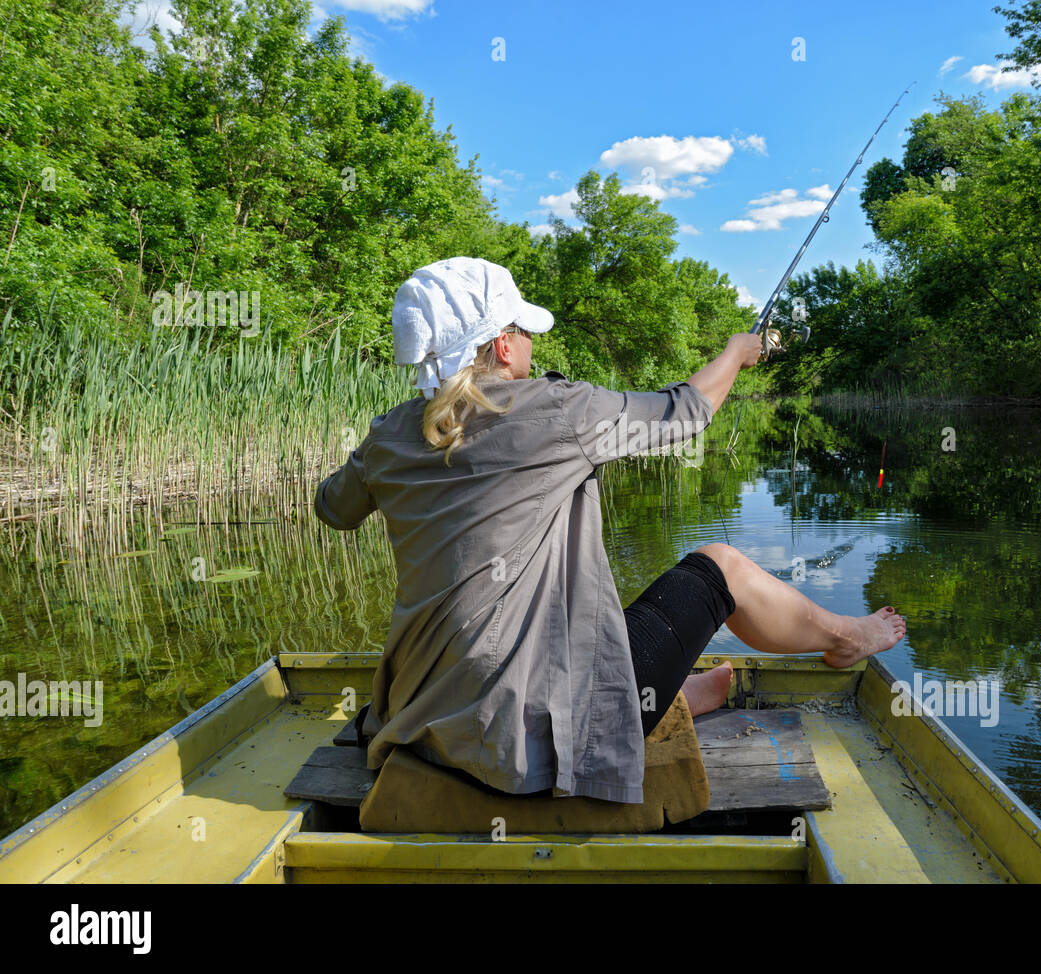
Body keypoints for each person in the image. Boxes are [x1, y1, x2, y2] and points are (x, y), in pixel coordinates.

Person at [314, 256, 906, 805]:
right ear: (500, 345)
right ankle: (846, 637)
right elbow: (687, 412)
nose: (530, 342)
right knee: (721, 564)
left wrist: (385, 461)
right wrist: (736, 352)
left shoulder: (388, 435)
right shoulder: (557, 411)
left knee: (582, 619)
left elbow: (331, 509)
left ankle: (664, 699)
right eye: (523, 331)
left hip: (417, 711)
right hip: (516, 736)